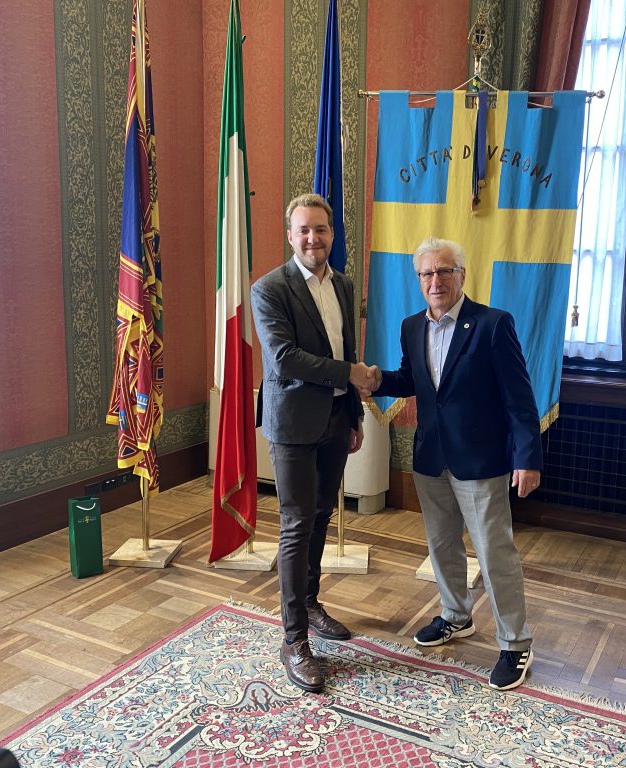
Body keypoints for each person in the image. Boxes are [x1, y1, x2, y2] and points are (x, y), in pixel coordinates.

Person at [371, 236, 543, 691]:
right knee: (442, 545)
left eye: (444, 271)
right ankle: (455, 615)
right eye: (427, 273)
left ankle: (515, 643)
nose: (436, 281)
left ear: (461, 275)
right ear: (419, 280)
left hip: (481, 461)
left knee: (494, 551)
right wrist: (375, 380)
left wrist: (527, 457)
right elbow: (411, 380)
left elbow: (519, 398)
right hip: (431, 457)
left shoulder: (492, 324)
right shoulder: (411, 326)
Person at [250, 192, 378, 694]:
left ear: (331, 233)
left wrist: (354, 414)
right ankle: (293, 639)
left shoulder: (343, 284)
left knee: (322, 515)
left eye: (320, 229)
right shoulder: (269, 289)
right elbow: (284, 358)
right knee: (296, 524)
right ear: (290, 236)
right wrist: (350, 375)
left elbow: (346, 347)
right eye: (303, 230)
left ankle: (309, 602)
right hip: (292, 426)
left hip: (335, 422)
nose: (312, 238)